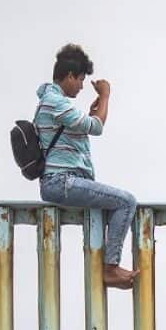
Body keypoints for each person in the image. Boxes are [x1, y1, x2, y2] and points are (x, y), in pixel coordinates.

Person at [36, 44, 139, 289]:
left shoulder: (55, 102)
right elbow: (97, 127)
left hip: (63, 180)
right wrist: (105, 96)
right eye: (81, 79)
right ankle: (111, 268)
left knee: (115, 203)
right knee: (126, 202)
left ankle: (109, 265)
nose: (82, 86)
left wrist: (92, 115)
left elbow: (84, 128)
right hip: (60, 181)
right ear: (70, 76)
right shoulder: (55, 102)